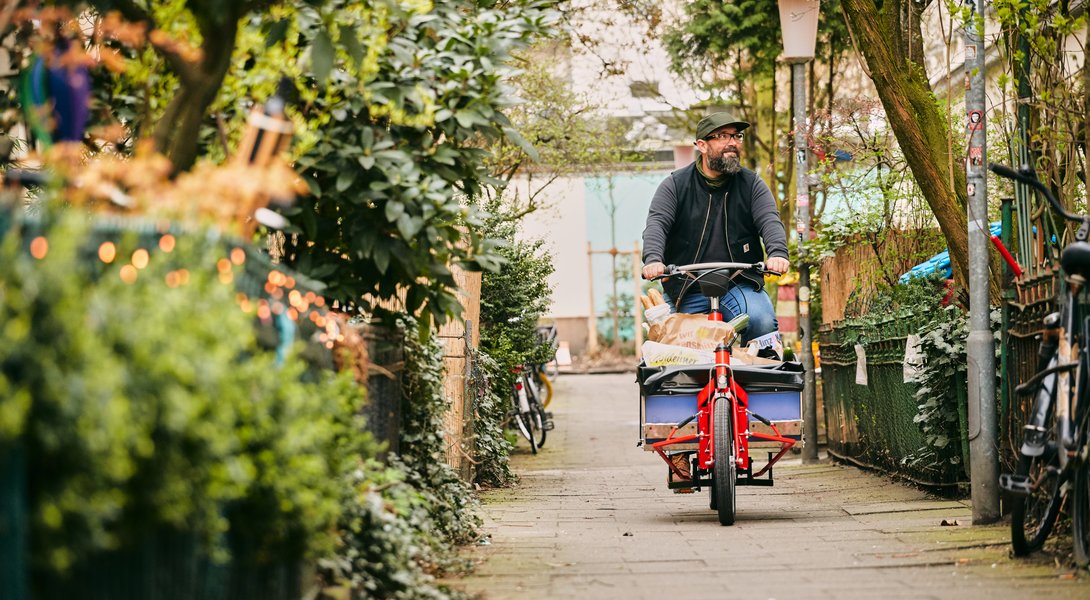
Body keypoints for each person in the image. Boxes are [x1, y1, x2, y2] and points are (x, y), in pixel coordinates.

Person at [641, 111, 790, 355]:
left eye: (736, 136)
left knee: (762, 322)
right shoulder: (675, 186)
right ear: (701, 145)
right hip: (687, 287)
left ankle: (758, 389)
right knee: (668, 349)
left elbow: (769, 220)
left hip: (739, 282)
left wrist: (777, 252)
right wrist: (654, 260)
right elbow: (657, 223)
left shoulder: (751, 184)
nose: (732, 142)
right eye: (722, 136)